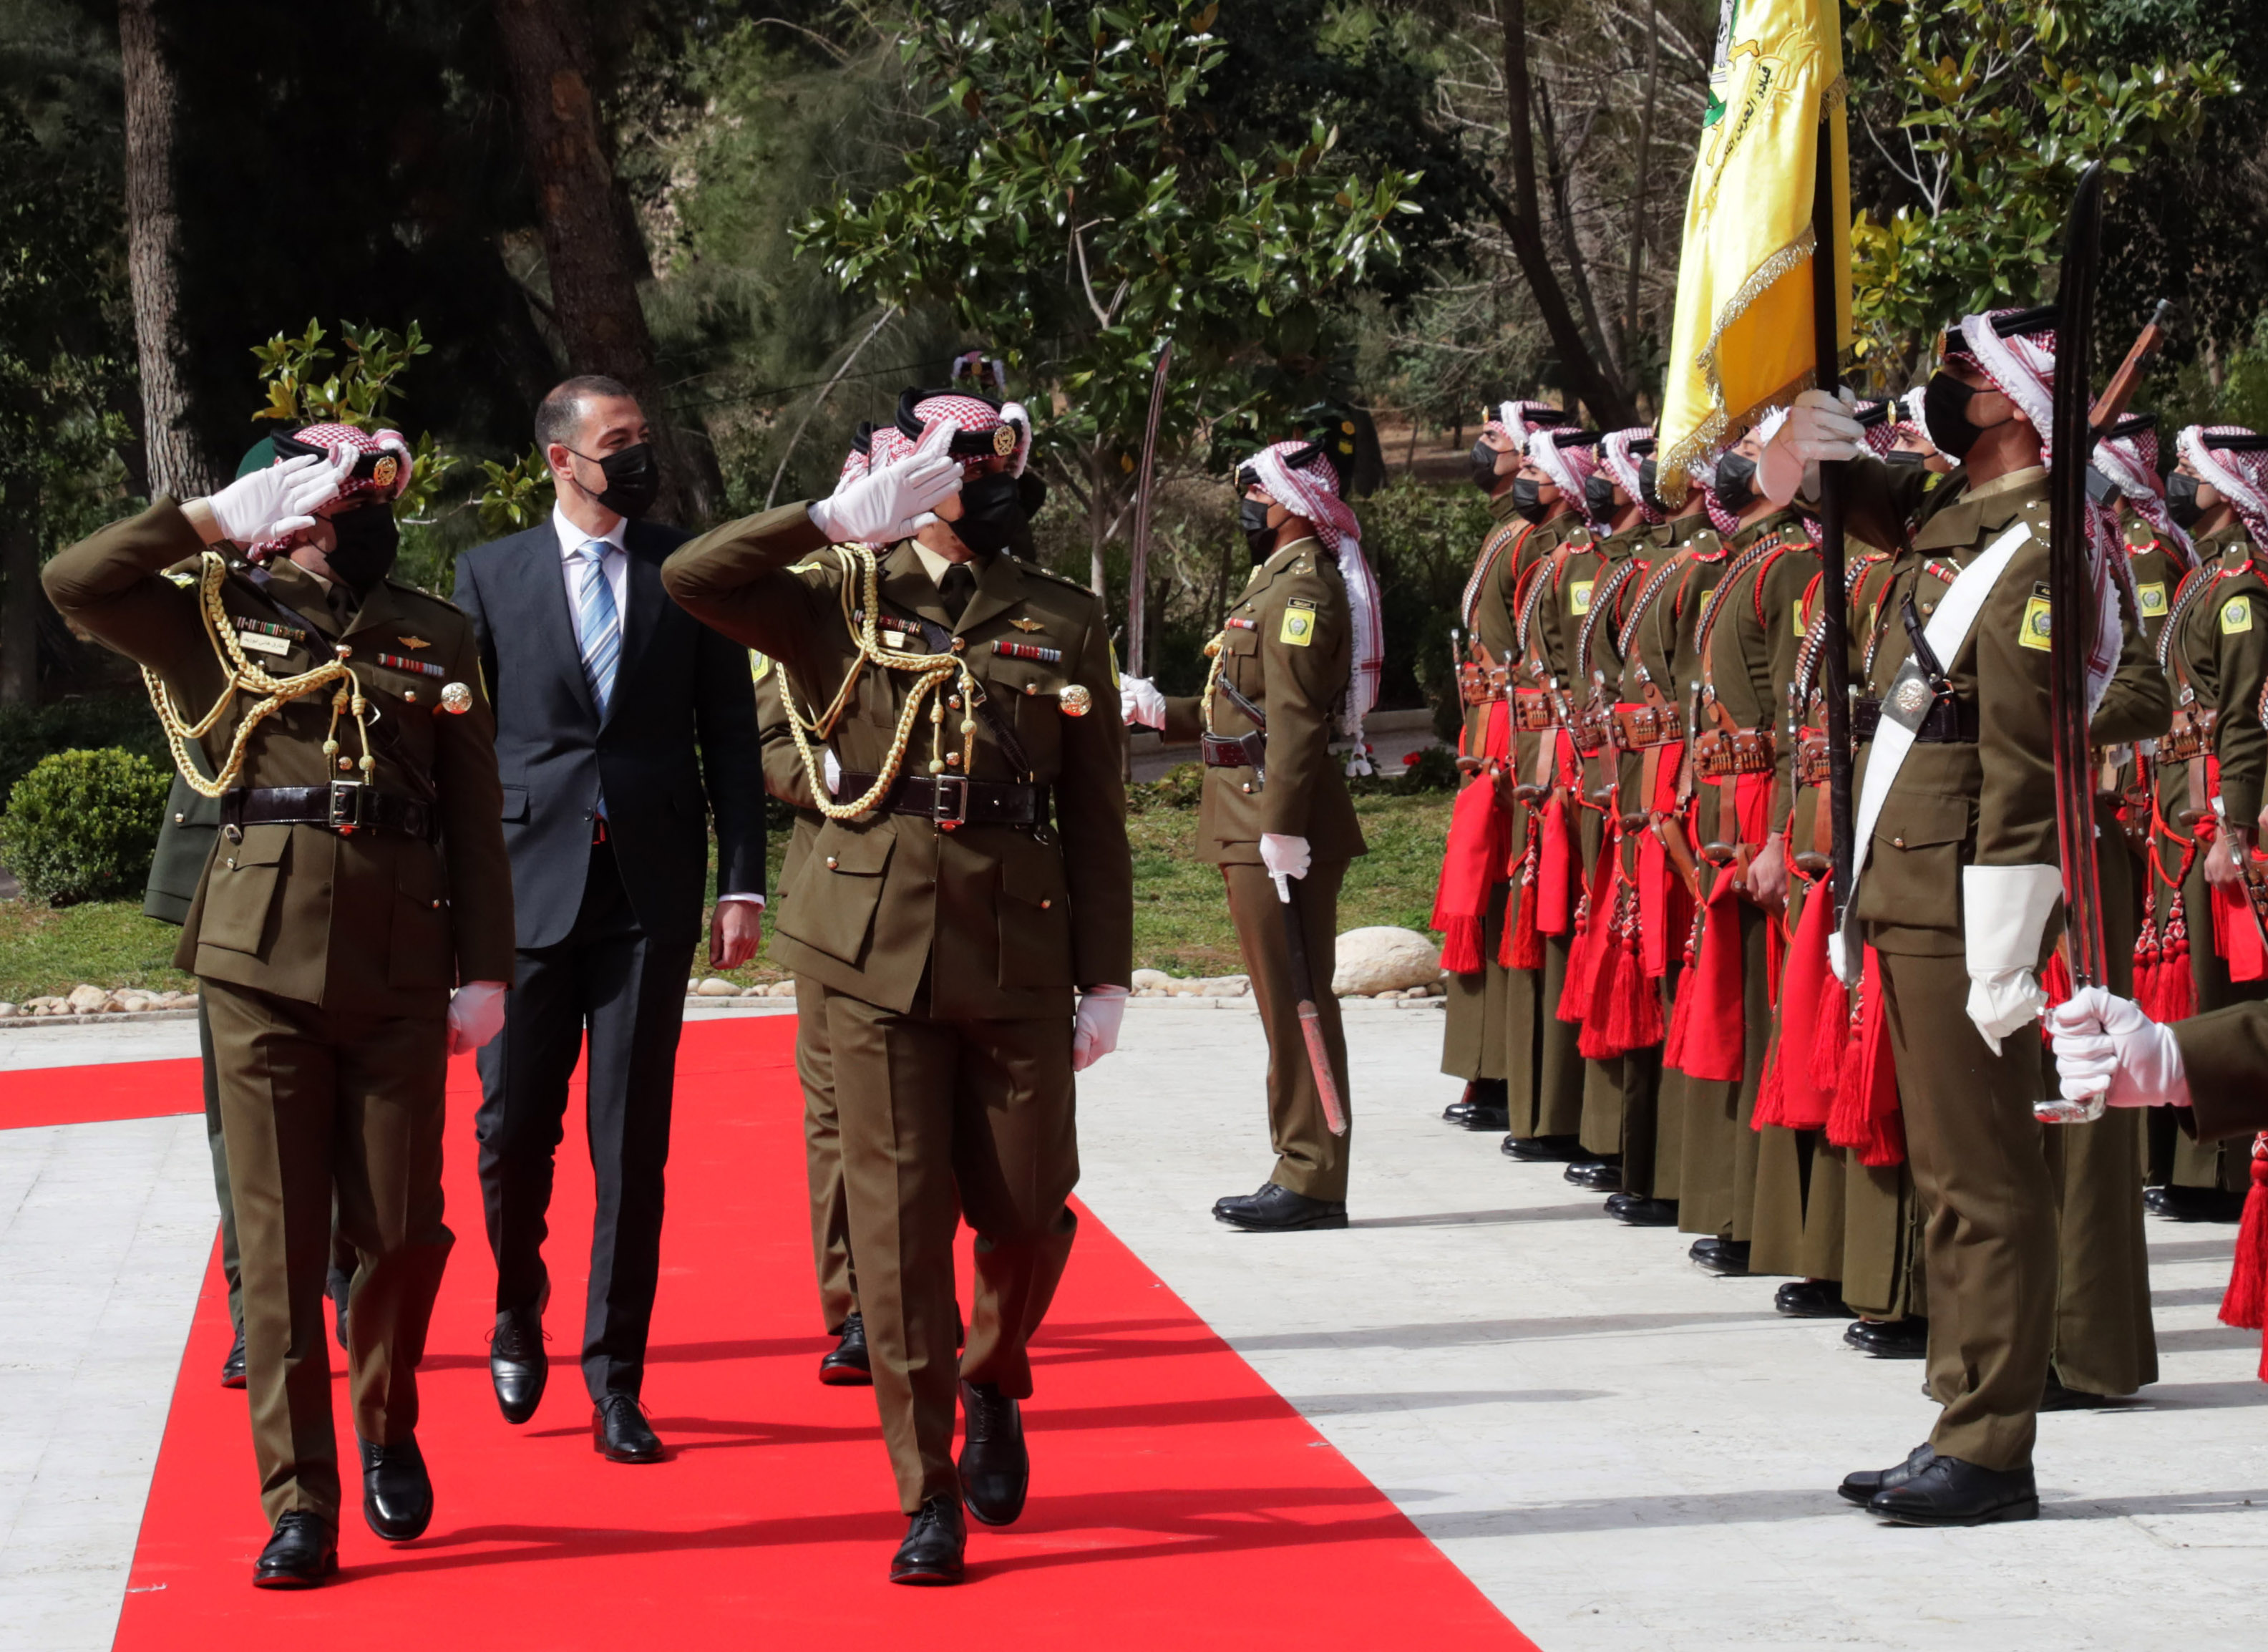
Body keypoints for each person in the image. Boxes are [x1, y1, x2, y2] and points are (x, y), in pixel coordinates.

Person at [661, 387, 1131, 1585]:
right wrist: (827, 518)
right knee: (897, 1230)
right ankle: (925, 1492)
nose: (1000, 489)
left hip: (1017, 942)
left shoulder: (1061, 618)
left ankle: (993, 1375)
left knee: (1029, 1211)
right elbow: (693, 579)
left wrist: (1106, 975)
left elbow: (1095, 819)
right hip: (866, 944)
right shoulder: (835, 599)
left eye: (1006, 469)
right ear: (922, 483)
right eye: (974, 471)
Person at [44, 425, 515, 1587]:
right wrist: (215, 516)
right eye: (336, 493)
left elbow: (473, 814)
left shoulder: (434, 630)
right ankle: (300, 1500)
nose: (360, 513)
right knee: (281, 1236)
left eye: (372, 493)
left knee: (403, 1227)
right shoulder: (213, 616)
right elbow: (74, 581)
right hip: (257, 961)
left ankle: (387, 1416)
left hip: (402, 958)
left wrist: (489, 967)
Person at [1763, 306, 2169, 1525]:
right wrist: (1800, 442)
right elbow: (1833, 495)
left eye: (1959, 376)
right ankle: (1957, 1412)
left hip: (1959, 896)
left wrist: (2005, 941)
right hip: (1907, 877)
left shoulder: (2039, 546)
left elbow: (2022, 758)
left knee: (1983, 1176)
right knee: (1948, 1174)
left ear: (2005, 399)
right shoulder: (1958, 512)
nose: (1938, 392)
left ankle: (1989, 1446)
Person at [452, 376, 767, 1462]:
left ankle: (616, 1381)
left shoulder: (684, 573)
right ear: (560, 459)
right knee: (509, 1136)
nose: (640, 456)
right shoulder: (488, 576)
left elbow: (730, 734)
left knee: (630, 1147)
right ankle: (513, 1307)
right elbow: (461, 753)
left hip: (650, 893)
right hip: (525, 892)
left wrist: (742, 879)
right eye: (617, 442)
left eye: (645, 439)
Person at [1122, 421, 1382, 1232]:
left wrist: (1282, 827)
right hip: (1250, 813)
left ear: (1296, 503)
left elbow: (1298, 724)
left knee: (1297, 997)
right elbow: (1236, 710)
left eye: (1258, 492)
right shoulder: (1275, 581)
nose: (1248, 504)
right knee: (1281, 998)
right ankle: (1300, 1160)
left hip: (1276, 820)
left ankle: (1311, 1174)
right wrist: (1151, 708)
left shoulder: (1302, 589)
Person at [2137, 424, 2268, 1220]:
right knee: (2188, 974)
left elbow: (2247, 714)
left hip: (2217, 796)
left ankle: (2223, 1170)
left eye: (2190, 469)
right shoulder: (2204, 580)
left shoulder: (2242, 587)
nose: (2178, 480)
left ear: (2226, 484)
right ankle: (2191, 1164)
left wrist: (2237, 824)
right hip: (2181, 795)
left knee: (2222, 979)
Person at [1436, 400, 1577, 1140]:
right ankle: (1487, 1067)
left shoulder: (1539, 541)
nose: (1482, 448)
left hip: (1518, 734)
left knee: (1506, 893)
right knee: (1481, 895)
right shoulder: (1509, 530)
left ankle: (1500, 1072)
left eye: (1501, 442)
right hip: (1488, 726)